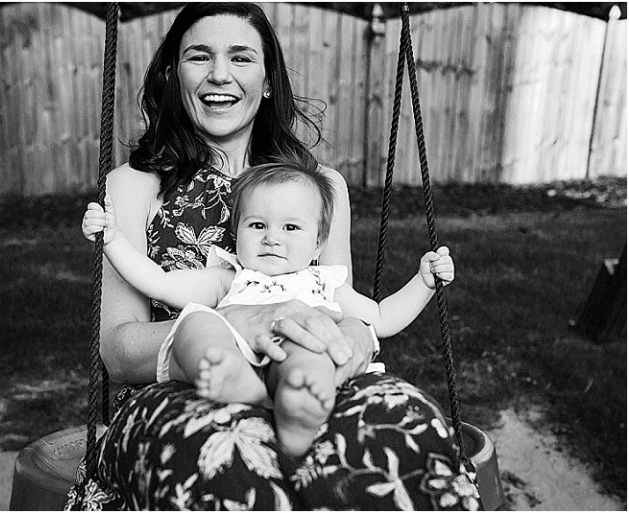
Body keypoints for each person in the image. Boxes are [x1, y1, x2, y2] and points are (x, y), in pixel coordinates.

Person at [66, 3, 480, 510]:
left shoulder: (320, 188)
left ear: (266, 80)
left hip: (306, 371)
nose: (220, 74)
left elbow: (345, 306)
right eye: (200, 56)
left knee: (409, 428)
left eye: (241, 57)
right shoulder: (133, 187)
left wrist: (356, 331)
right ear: (175, 75)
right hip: (185, 386)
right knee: (233, 467)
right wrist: (242, 321)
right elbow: (119, 350)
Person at [82, 157, 456, 458]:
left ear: (318, 243)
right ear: (237, 231)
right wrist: (112, 239)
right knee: (194, 326)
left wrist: (422, 284)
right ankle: (234, 379)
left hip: (291, 353)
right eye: (257, 225)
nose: (272, 238)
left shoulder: (323, 282)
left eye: (291, 228)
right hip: (237, 354)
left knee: (307, 350)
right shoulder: (228, 277)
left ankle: (299, 407)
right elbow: (156, 282)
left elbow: (381, 318)